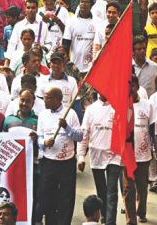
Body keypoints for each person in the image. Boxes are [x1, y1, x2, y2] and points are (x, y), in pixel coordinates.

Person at [35, 86, 83, 225]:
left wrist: (66, 127)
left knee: (66, 196)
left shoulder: (71, 113)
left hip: (66, 162)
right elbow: (39, 138)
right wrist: (44, 142)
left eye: (48, 98)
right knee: (48, 196)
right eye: (44, 97)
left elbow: (79, 136)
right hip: (49, 162)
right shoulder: (43, 115)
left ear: (58, 99)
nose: (45, 100)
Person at [78, 93, 121, 225]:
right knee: (101, 192)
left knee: (112, 192)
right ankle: (103, 217)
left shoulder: (118, 107)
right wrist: (81, 156)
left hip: (114, 155)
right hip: (97, 156)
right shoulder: (91, 109)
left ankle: (110, 222)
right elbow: (84, 134)